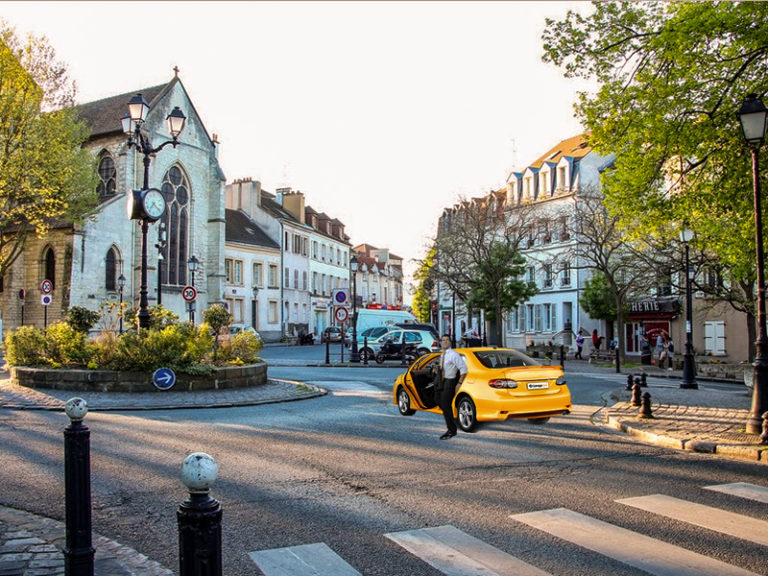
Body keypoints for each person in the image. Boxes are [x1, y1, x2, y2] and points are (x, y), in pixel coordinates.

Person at [437, 334, 467, 440]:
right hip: (442, 382)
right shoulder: (443, 354)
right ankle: (453, 424)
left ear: (450, 342)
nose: (445, 342)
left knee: (446, 406)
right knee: (440, 403)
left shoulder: (454, 354)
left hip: (450, 382)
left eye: (447, 340)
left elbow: (463, 369)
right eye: (443, 340)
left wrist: (459, 384)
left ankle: (451, 430)